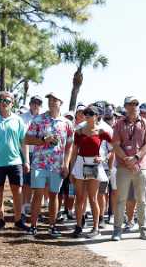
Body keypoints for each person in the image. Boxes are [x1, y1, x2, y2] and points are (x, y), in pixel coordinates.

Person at [24, 93, 74, 237]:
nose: (51, 102)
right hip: (39, 163)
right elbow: (27, 139)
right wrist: (43, 140)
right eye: (50, 100)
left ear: (61, 102)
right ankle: (33, 226)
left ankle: (52, 227)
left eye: (55, 100)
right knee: (38, 194)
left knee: (54, 195)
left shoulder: (67, 123)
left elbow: (69, 145)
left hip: (57, 165)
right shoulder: (39, 119)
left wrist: (66, 165)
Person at [0, 91, 29, 230]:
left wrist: (26, 160)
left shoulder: (18, 120)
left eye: (7, 101)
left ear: (12, 103)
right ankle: (0, 219)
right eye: (2, 100)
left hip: (15, 161)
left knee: (18, 191)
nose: (4, 103)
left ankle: (18, 220)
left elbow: (24, 141)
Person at [111, 96, 146, 241]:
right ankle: (117, 230)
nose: (133, 106)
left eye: (136, 103)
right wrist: (127, 160)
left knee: (141, 200)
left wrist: (136, 158)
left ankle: (143, 229)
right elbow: (116, 145)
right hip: (123, 166)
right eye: (130, 104)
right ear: (125, 106)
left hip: (141, 166)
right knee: (121, 199)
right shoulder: (118, 124)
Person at [67, 105, 111, 238]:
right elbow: (74, 152)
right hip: (80, 163)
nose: (87, 115)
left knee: (93, 198)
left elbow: (113, 148)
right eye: (86, 113)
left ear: (97, 116)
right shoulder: (79, 131)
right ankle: (78, 226)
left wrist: (103, 158)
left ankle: (96, 227)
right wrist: (71, 170)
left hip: (95, 165)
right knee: (79, 198)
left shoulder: (102, 131)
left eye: (90, 113)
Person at [20, 95, 44, 217]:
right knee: (26, 181)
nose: (36, 105)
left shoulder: (44, 118)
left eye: (38, 103)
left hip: (41, 154)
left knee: (38, 182)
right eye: (34, 102)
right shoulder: (22, 118)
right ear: (29, 104)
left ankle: (35, 208)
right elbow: (23, 137)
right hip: (26, 152)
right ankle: (25, 206)